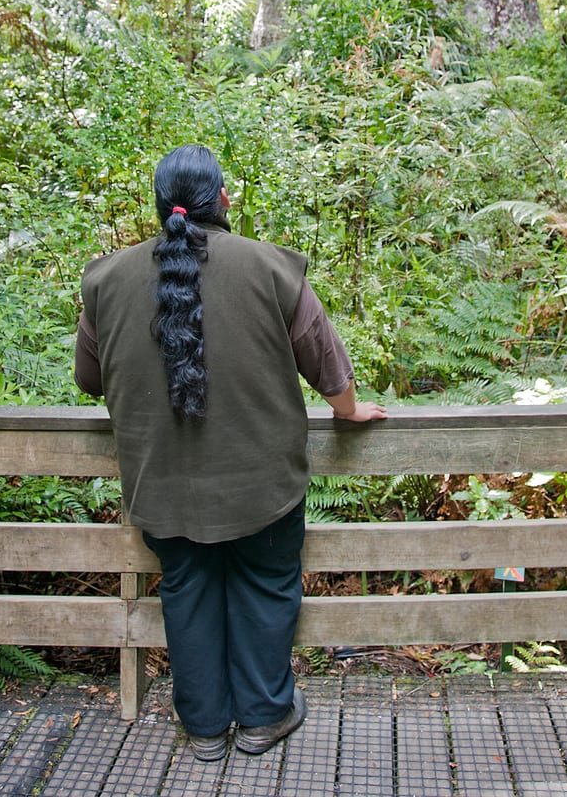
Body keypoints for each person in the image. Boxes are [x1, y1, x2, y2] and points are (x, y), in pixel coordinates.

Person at [74, 144, 387, 761]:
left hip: (161, 488)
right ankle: (265, 718)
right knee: (266, 588)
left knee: (186, 591)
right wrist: (349, 412)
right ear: (223, 200)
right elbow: (328, 369)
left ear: (160, 204)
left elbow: (90, 379)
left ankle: (205, 727)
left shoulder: (106, 278)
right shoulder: (272, 268)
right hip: (263, 484)